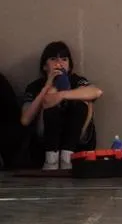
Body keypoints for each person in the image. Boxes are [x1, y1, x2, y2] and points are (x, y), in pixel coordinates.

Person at [19, 41, 102, 170]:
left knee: (84, 101)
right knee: (49, 102)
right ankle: (51, 159)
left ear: (69, 65)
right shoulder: (35, 86)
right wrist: (46, 88)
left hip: (76, 137)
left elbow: (97, 92)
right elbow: (25, 120)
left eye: (64, 59)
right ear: (44, 66)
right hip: (44, 138)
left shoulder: (76, 80)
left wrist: (62, 95)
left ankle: (67, 157)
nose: (59, 63)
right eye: (53, 59)